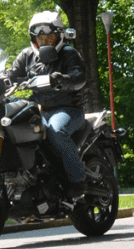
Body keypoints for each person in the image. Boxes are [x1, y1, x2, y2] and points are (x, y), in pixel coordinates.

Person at [6, 11, 87, 200]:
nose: (44, 41)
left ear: (58, 36)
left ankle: (77, 180)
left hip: (67, 109)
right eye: (40, 37)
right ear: (34, 38)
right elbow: (10, 75)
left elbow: (80, 76)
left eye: (49, 37)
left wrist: (61, 79)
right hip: (38, 109)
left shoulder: (68, 53)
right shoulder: (26, 55)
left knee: (56, 130)